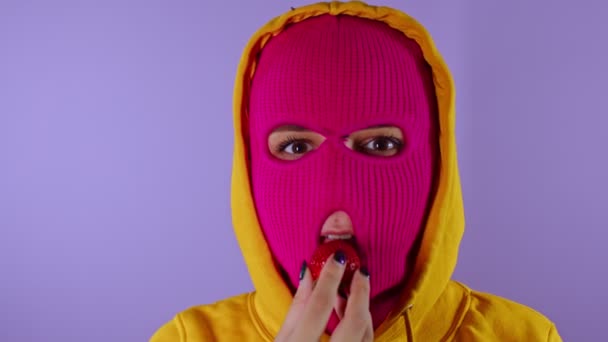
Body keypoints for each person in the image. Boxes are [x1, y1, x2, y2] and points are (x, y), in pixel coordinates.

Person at [151, 1, 562, 341]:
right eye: (295, 146)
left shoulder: (523, 335)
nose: (336, 187)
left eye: (380, 144)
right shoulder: (189, 338)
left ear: (437, 165)